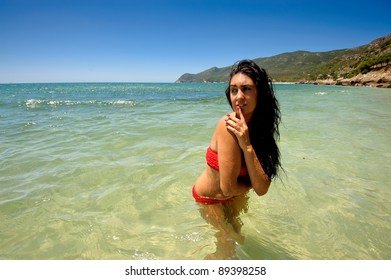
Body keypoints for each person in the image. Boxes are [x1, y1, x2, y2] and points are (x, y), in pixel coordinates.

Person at [192, 59, 281, 259]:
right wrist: (251, 182)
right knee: (228, 247)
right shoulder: (228, 126)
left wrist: (247, 144)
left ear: (260, 93)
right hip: (210, 199)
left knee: (236, 240)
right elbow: (228, 189)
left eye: (246, 89)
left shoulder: (261, 128)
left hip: (234, 195)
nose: (238, 97)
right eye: (233, 90)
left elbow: (262, 189)